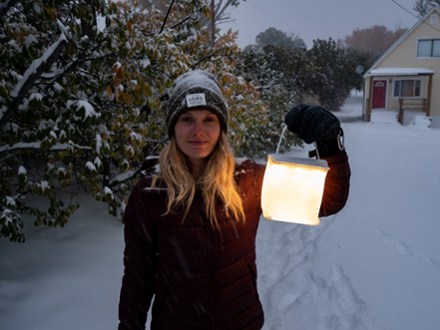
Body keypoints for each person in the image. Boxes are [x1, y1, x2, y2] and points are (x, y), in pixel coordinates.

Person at [118, 70, 351, 330]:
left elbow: (329, 200)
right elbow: (138, 277)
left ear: (221, 127)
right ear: (173, 126)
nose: (198, 131)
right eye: (187, 119)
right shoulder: (150, 193)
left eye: (209, 119)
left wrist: (331, 143)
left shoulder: (247, 179)